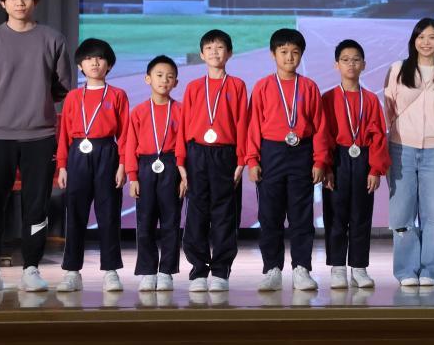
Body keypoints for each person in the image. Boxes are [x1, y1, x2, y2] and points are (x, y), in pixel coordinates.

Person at [0, 0, 74, 295]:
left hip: (39, 137)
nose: (19, 2)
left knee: (36, 206)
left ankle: (31, 269)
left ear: (35, 1)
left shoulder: (52, 39)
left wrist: (35, 103)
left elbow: (63, 85)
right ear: (3, 3)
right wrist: (4, 106)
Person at [244, 28, 329, 293]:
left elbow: (320, 127)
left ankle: (301, 268)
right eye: (283, 52)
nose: (289, 57)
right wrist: (252, 160)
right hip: (271, 153)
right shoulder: (263, 86)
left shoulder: (309, 87)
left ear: (301, 55)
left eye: (295, 52)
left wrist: (319, 161)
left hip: (301, 152)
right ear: (273, 54)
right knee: (270, 215)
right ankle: (272, 269)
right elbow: (253, 125)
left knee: (301, 215)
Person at [383, 18, 434, 287]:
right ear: (413, 40)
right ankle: (406, 271)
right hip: (401, 148)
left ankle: (429, 270)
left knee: (432, 215)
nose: (426, 42)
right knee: (402, 213)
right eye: (421, 36)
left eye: (432, 37)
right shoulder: (397, 69)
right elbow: (389, 107)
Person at [56, 38, 129, 293]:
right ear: (80, 66)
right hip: (78, 154)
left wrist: (123, 164)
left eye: (99, 58)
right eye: (88, 59)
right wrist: (62, 165)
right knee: (75, 214)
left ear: (109, 64)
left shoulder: (117, 95)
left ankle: (111, 271)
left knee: (108, 214)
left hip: (107, 152)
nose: (94, 63)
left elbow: (126, 134)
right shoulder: (73, 96)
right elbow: (64, 133)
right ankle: (72, 271)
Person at [180, 29, 248, 293]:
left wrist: (241, 160)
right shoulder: (194, 87)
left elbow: (242, 123)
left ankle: (221, 270)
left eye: (220, 47)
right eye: (209, 48)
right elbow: (183, 125)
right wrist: (181, 161)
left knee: (225, 214)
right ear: (201, 54)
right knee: (196, 213)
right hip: (197, 153)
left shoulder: (237, 85)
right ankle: (198, 270)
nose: (214, 52)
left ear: (229, 53)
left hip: (226, 154)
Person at [321, 39, 389, 289]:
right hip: (337, 159)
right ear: (336, 65)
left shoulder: (370, 99)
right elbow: (323, 134)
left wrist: (375, 169)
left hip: (363, 158)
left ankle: (359, 267)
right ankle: (338, 267)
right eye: (345, 60)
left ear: (364, 64)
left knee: (361, 215)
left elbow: (378, 135)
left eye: (356, 60)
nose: (351, 64)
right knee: (335, 214)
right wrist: (326, 166)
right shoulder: (328, 98)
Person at [124, 55, 188, 292]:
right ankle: (148, 271)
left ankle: (167, 271)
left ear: (176, 83)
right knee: (145, 222)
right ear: (148, 79)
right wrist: (133, 176)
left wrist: (183, 175)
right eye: (159, 75)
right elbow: (130, 144)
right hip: (145, 167)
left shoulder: (180, 110)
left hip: (171, 165)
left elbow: (184, 145)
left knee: (171, 222)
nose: (164, 80)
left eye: (170, 77)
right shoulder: (139, 111)